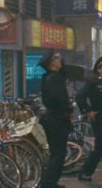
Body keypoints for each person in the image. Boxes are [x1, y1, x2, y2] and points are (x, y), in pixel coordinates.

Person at [39, 52, 71, 188]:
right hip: (57, 119)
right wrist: (68, 109)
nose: (60, 60)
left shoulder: (51, 78)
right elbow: (58, 99)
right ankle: (48, 183)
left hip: (53, 119)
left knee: (56, 153)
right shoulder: (54, 79)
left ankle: (51, 182)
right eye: (58, 58)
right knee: (58, 153)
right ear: (52, 62)